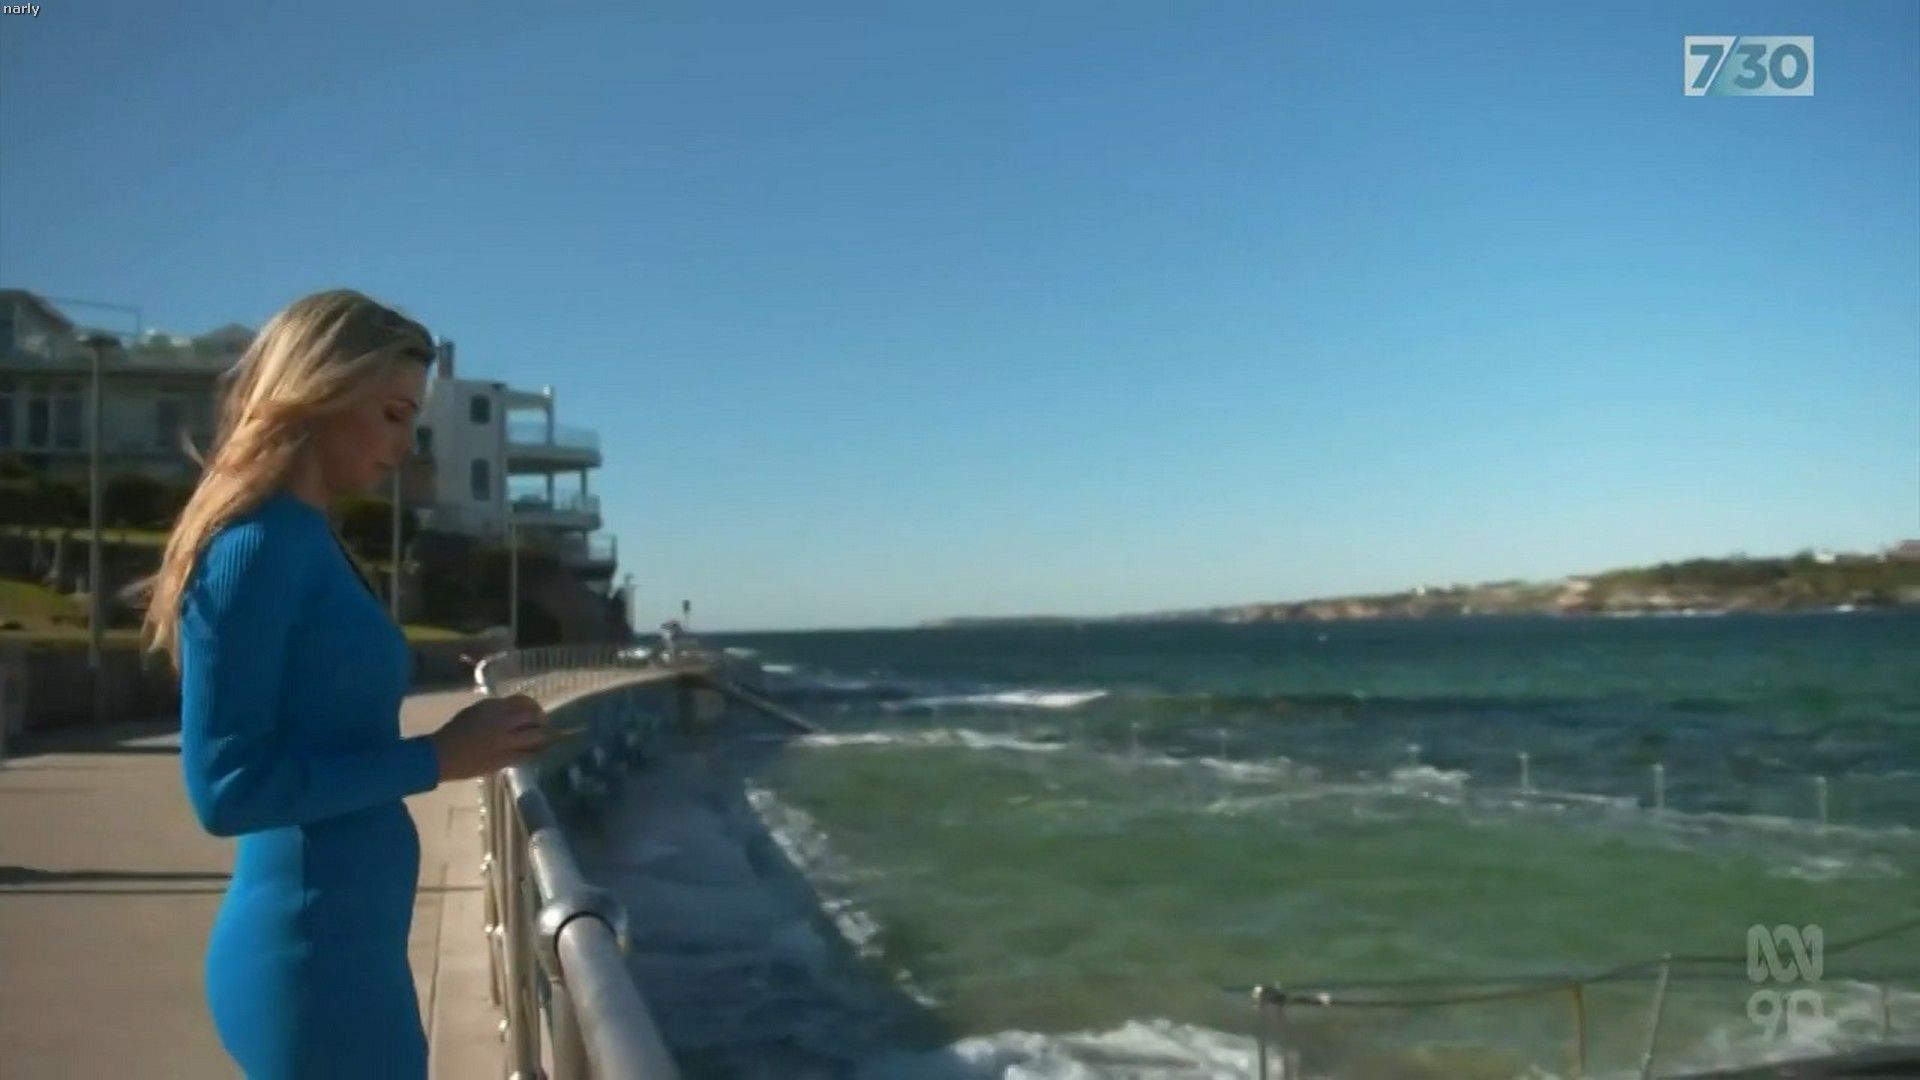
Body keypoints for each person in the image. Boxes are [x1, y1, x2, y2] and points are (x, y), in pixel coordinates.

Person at [131, 289, 552, 1078]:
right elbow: (225, 790)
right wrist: (437, 758)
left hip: (346, 954)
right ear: (321, 390)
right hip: (311, 964)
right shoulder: (256, 547)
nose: (404, 443)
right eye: (392, 414)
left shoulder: (304, 539)